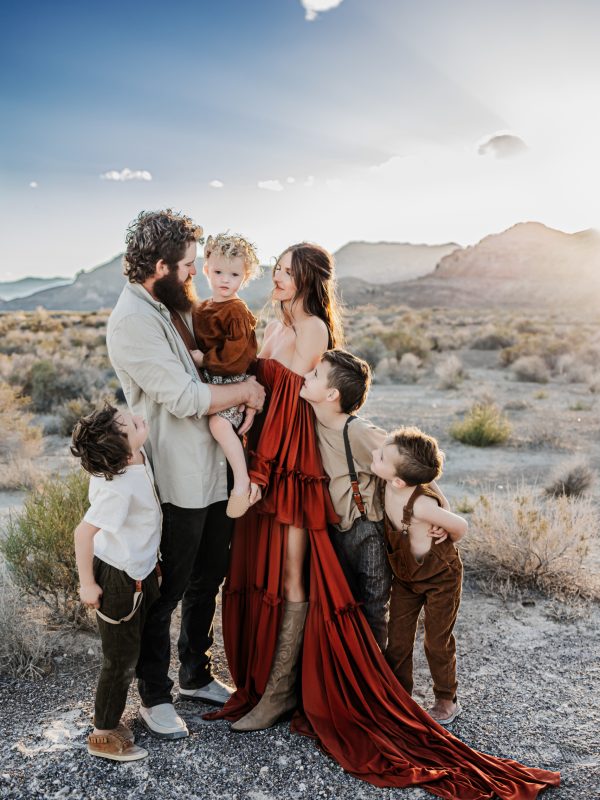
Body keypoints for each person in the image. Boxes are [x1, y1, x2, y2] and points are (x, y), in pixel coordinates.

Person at [206, 244, 559, 797]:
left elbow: (295, 399)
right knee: (262, 571)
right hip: (264, 452)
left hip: (289, 457)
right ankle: (264, 683)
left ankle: (279, 694)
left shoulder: (314, 327)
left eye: (285, 270)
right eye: (273, 266)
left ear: (306, 280)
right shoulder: (270, 321)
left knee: (296, 575)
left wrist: (265, 467)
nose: (275, 275)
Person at [106, 209, 265, 740]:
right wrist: (243, 392)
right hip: (178, 476)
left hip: (214, 468)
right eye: (189, 266)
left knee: (208, 579)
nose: (197, 275)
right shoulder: (133, 319)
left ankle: (195, 673)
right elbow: (184, 396)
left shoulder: (170, 302)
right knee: (166, 588)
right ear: (160, 266)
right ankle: (154, 695)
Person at [300, 348, 450, 652]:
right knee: (343, 603)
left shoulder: (356, 431)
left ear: (331, 395)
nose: (305, 375)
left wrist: (440, 506)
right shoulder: (310, 420)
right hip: (335, 529)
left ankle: (375, 672)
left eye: (314, 374)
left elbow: (409, 465)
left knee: (374, 606)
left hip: (366, 529)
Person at [71, 404, 161, 762]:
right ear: (121, 450)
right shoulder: (118, 486)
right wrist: (87, 584)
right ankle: (103, 734)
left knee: (132, 649)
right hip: (119, 578)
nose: (138, 417)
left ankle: (111, 719)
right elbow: (83, 534)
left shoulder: (135, 457)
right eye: (131, 424)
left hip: (139, 569)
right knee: (120, 660)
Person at [371, 426, 468, 725]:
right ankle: (400, 695)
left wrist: (446, 524)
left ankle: (446, 699)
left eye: (382, 456)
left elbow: (461, 526)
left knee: (436, 640)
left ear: (398, 480)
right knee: (398, 638)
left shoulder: (422, 505)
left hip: (441, 577)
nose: (375, 454)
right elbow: (432, 478)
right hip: (406, 577)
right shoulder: (389, 480)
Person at [190, 233, 261, 519]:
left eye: (234, 274)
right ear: (206, 270)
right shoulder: (203, 307)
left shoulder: (237, 311)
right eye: (218, 272)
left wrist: (205, 360)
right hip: (211, 382)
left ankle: (241, 482)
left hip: (230, 380)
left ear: (244, 278)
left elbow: (236, 356)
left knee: (220, 424)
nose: (225, 279)